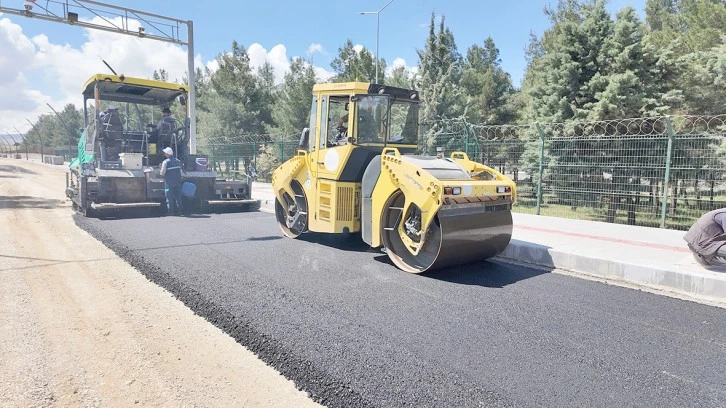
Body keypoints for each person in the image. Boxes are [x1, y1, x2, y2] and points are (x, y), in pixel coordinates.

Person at [159, 146, 183, 216]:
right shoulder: (178, 161)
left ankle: (171, 212)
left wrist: (160, 168)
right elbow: (181, 172)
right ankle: (180, 211)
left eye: (165, 153)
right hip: (178, 182)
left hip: (169, 183)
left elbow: (162, 173)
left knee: (169, 197)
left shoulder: (165, 162)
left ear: (167, 154)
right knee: (178, 196)